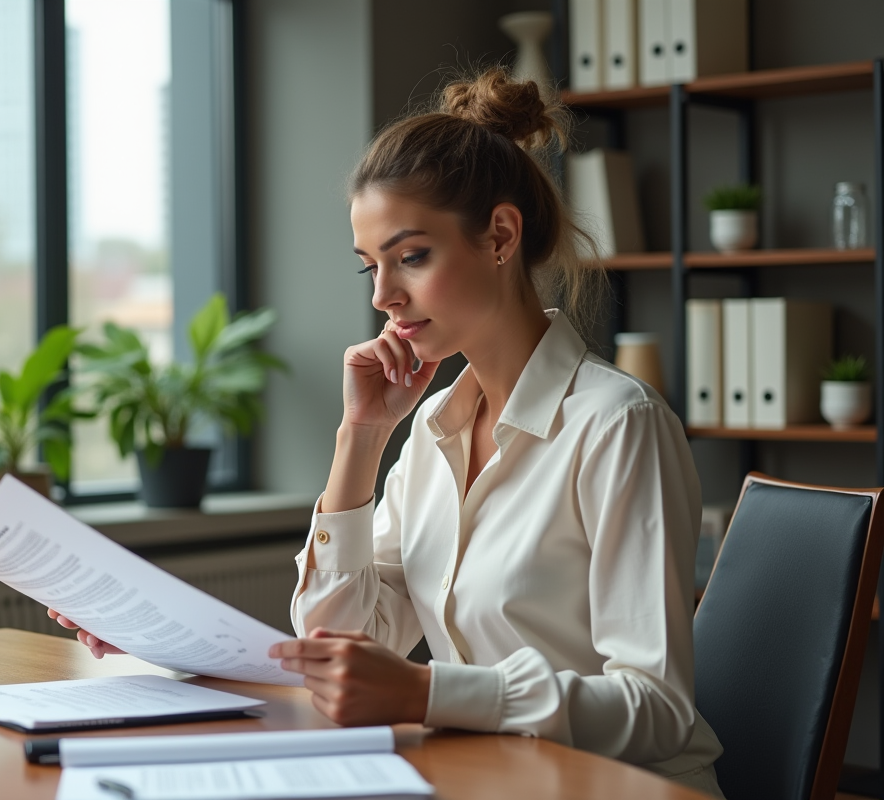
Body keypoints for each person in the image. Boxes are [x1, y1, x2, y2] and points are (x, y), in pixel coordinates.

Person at [50, 67, 723, 796]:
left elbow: (657, 709)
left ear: (500, 235)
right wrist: (361, 437)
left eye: (411, 257)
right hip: (489, 778)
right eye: (372, 266)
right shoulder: (435, 425)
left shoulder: (618, 425)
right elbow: (350, 642)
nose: (383, 295)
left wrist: (427, 694)